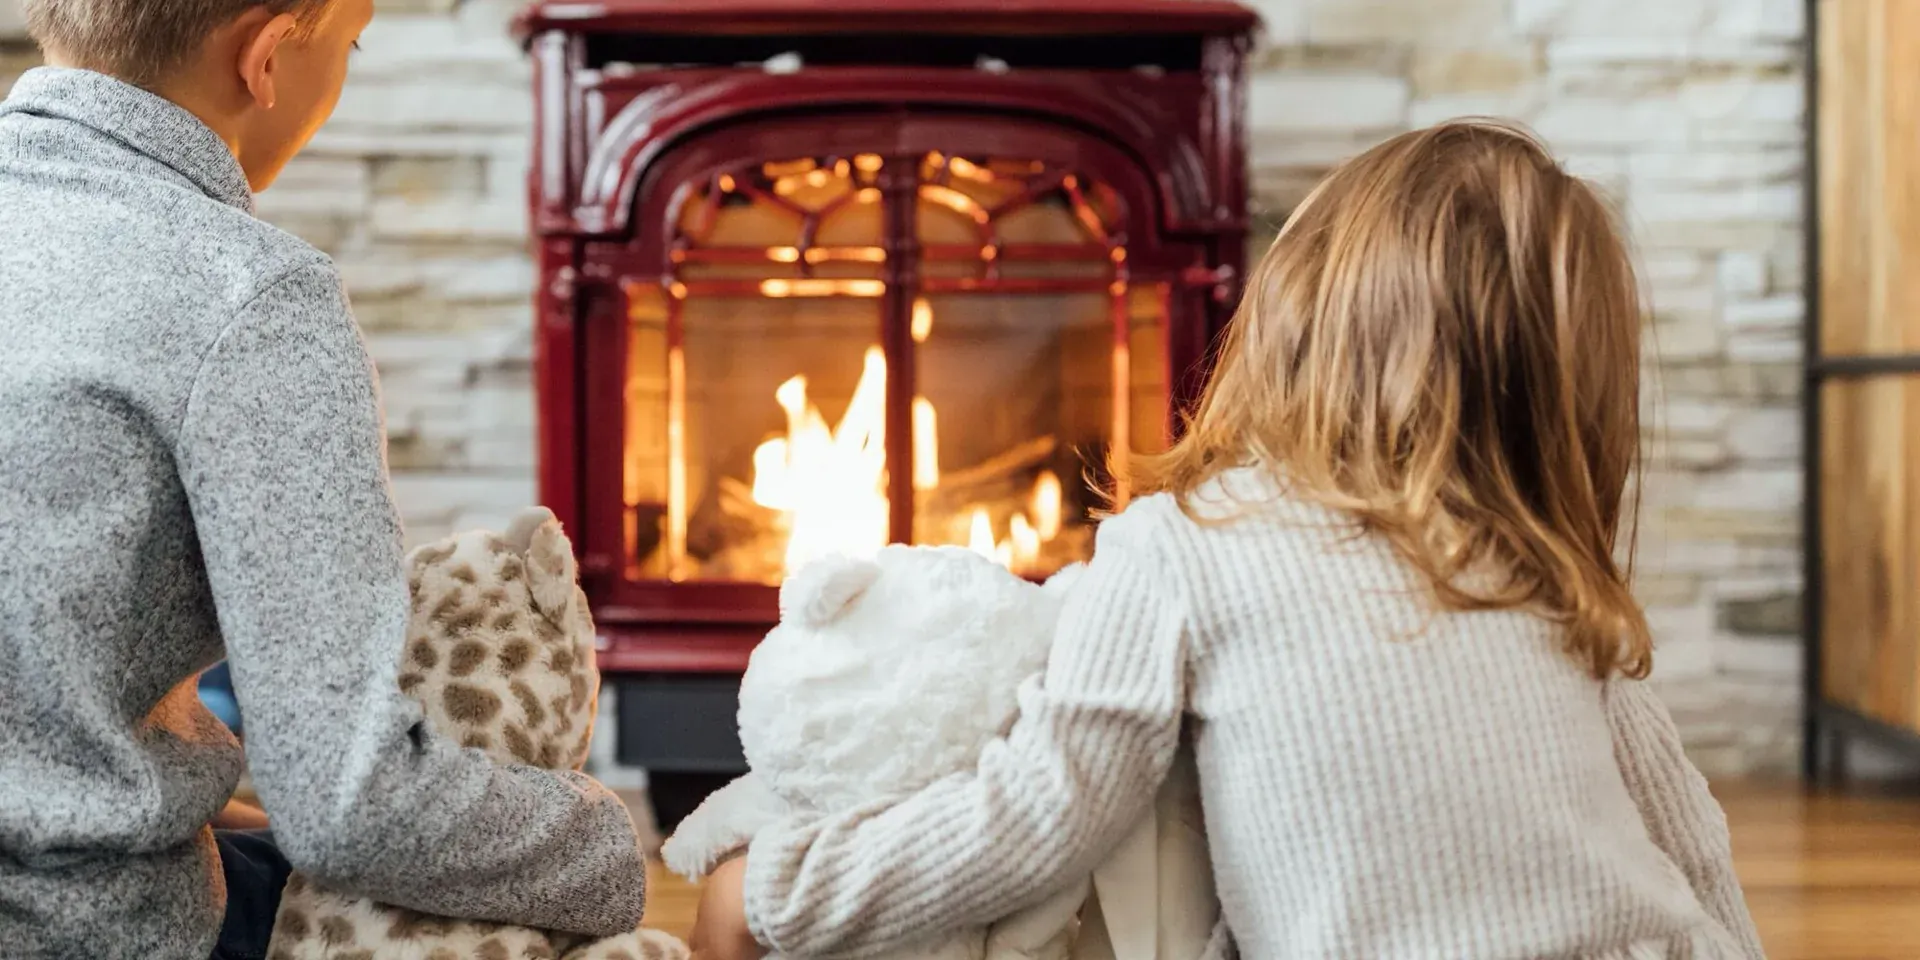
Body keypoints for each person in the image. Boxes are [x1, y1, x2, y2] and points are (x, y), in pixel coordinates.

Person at [687, 120, 1768, 960]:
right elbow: (1695, 853)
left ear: (1293, 313)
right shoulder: (1545, 572)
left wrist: (776, 889)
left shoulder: (1186, 542)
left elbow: (1041, 814)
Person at [0, 3, 649, 959]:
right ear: (265, 58)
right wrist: (616, 844)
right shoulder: (246, 293)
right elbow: (349, 803)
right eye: (352, 44)